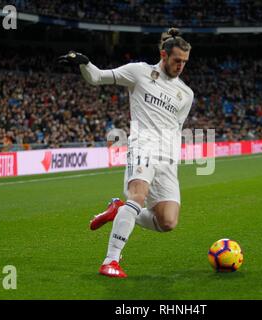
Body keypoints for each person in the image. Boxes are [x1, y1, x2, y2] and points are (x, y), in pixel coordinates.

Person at [58, 28, 194, 277]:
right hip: (142, 145)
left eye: (185, 62)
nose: (180, 66)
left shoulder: (186, 94)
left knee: (167, 222)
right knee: (138, 196)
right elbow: (98, 77)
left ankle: (118, 209)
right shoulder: (139, 72)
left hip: (167, 157)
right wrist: (85, 63)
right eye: (177, 61)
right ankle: (111, 260)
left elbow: (177, 128)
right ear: (164, 55)